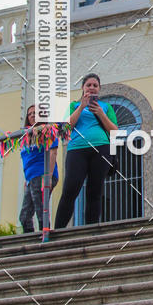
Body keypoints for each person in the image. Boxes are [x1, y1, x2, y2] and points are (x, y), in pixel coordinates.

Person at [54, 73, 118, 229]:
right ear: (82, 88)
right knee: (70, 188)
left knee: (95, 191)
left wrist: (100, 113)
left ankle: (91, 230)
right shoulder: (73, 106)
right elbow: (66, 127)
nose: (92, 88)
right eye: (89, 85)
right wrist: (82, 106)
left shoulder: (106, 107)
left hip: (101, 148)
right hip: (77, 149)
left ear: (99, 89)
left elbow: (115, 131)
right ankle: (59, 229)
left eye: (95, 85)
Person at [19, 104, 59, 233]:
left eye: (35, 113)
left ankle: (45, 238)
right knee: (24, 217)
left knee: (40, 210)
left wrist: (48, 176)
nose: (32, 115)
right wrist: (27, 180)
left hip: (43, 173)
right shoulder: (25, 136)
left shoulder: (47, 131)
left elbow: (53, 152)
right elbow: (27, 160)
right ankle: (31, 242)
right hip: (31, 178)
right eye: (30, 113)